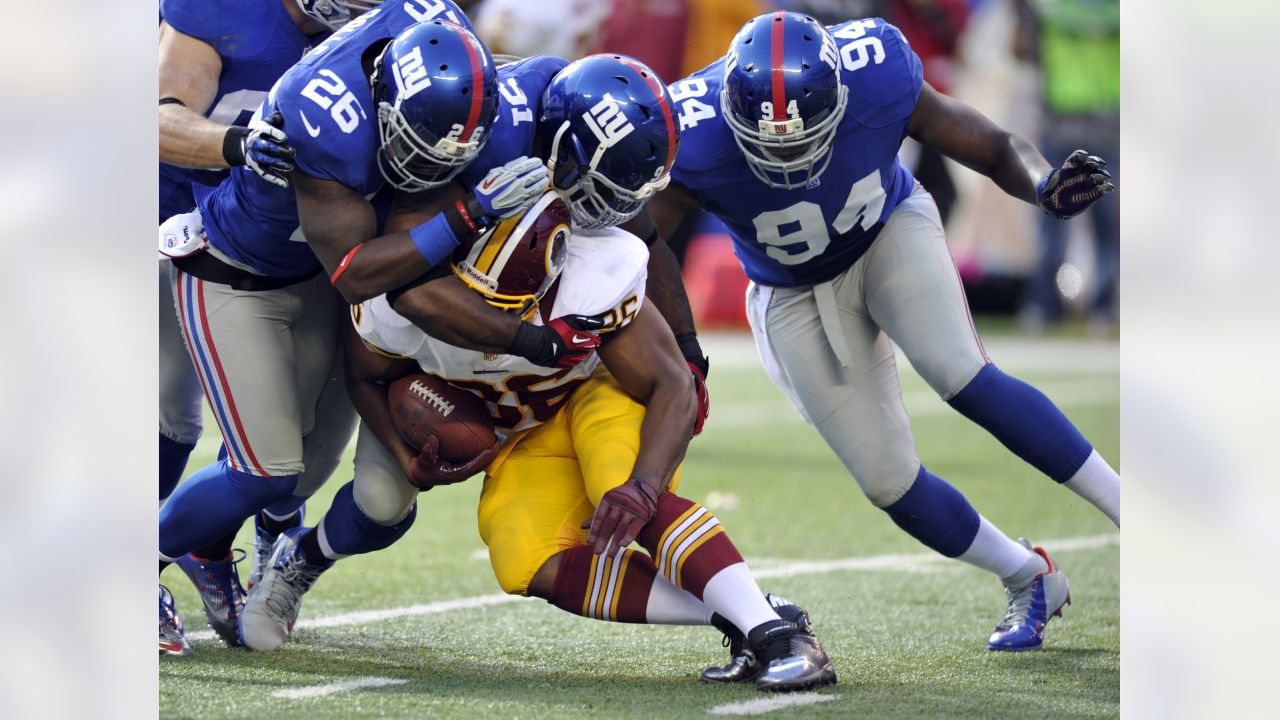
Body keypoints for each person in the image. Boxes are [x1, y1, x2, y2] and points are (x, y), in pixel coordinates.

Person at [645, 11, 1118, 652]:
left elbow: (991, 142)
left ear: (841, 99)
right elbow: (649, 238)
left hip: (888, 231)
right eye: (769, 144)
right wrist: (684, 344)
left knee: (963, 375)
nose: (789, 156)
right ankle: (1027, 575)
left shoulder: (877, 72)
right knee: (886, 480)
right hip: (790, 288)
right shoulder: (691, 131)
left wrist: (1041, 183)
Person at [241, 189, 838, 692]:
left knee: (623, 494)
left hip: (595, 392)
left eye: (518, 304)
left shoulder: (593, 275)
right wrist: (405, 454)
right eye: (479, 301)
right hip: (523, 430)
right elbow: (367, 374)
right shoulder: (406, 297)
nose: (496, 318)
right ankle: (750, 611)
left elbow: (671, 386)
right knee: (525, 560)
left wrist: (645, 485)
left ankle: (779, 638)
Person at [157, 3, 575, 655]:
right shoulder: (320, 110)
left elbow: (548, 85)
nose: (423, 168)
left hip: (323, 285)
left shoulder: (456, 59)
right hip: (236, 271)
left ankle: (235, 549)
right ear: (382, 104)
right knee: (262, 467)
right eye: (409, 145)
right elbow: (358, 273)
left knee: (306, 472)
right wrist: (469, 212)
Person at [156, 0, 377, 656]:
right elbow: (158, 120)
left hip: (300, 249)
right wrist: (238, 143)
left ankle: (212, 543)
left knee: (294, 453)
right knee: (171, 412)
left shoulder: (391, 26)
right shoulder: (222, 10)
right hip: (176, 218)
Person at [1014, 0, 1120, 333]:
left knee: (1058, 217)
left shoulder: (1050, 9)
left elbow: (1020, 47)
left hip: (1077, 123)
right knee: (1092, 226)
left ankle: (1047, 306)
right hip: (1088, 122)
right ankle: (1094, 308)